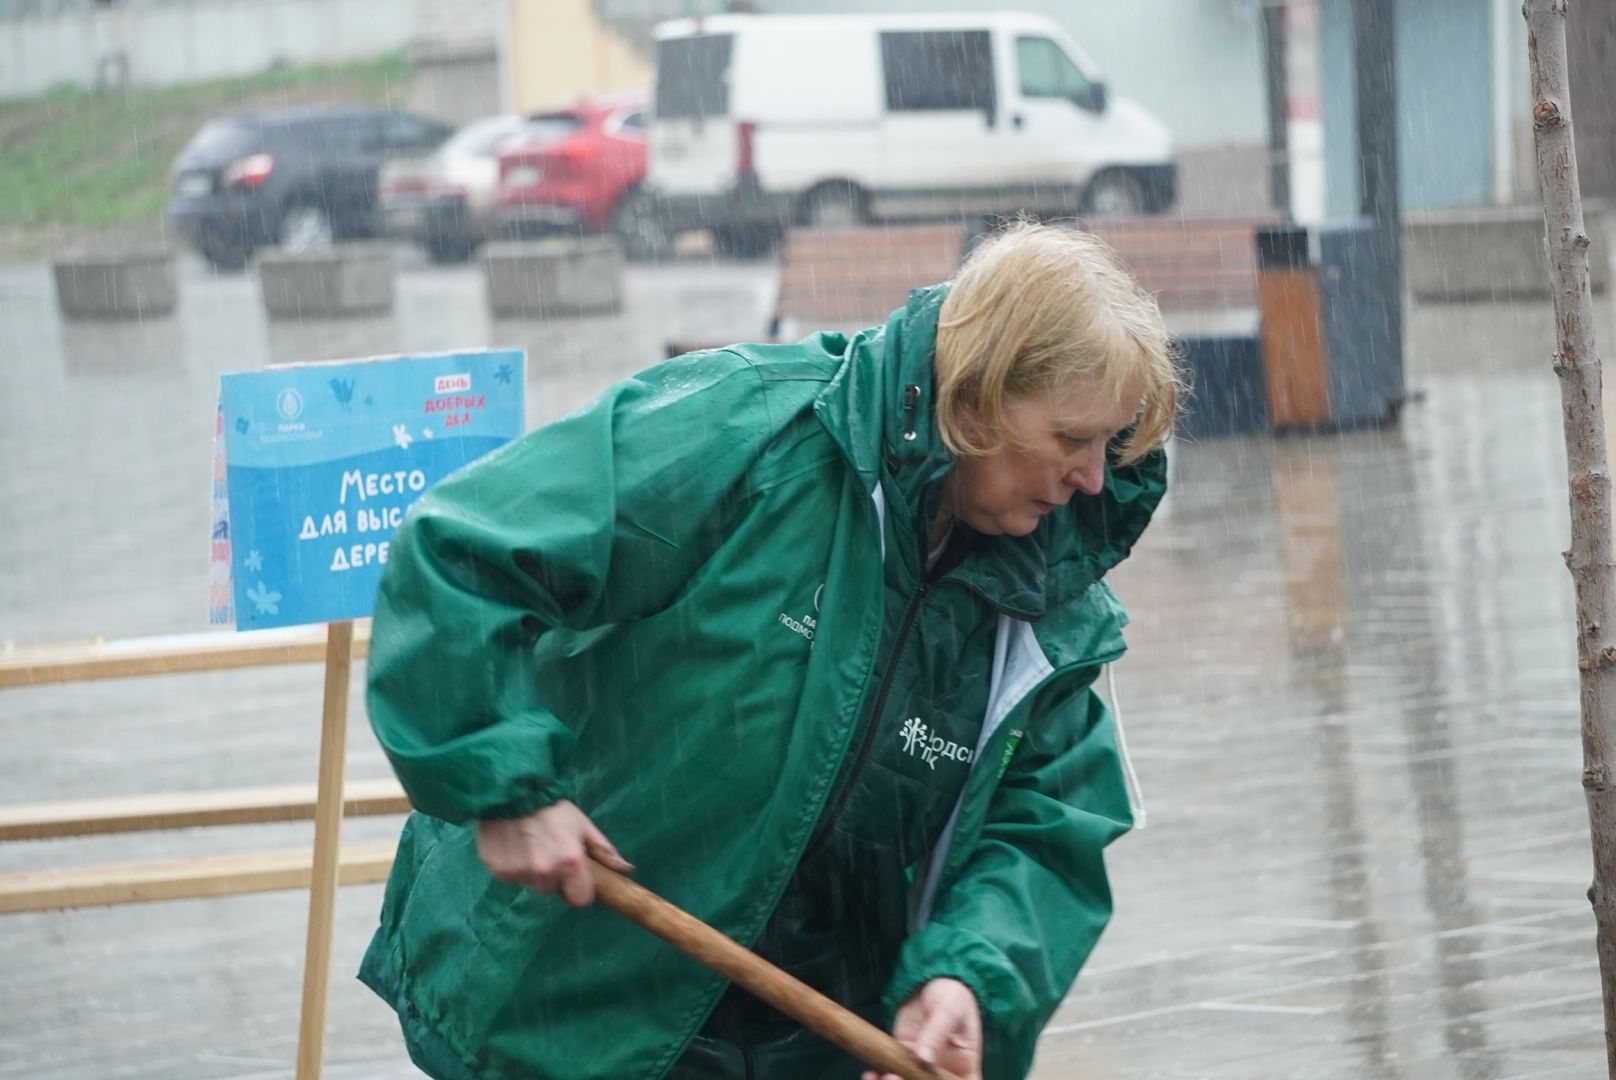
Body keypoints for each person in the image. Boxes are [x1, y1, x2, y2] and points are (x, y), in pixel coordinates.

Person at [359, 220, 1181, 1080]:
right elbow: (464, 546)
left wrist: (969, 975)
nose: (1092, 479)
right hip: (574, 1011)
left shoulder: (1050, 600)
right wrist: (502, 783)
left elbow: (1045, 822)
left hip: (815, 1038)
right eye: (1072, 439)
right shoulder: (750, 426)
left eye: (1111, 446)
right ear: (976, 398)